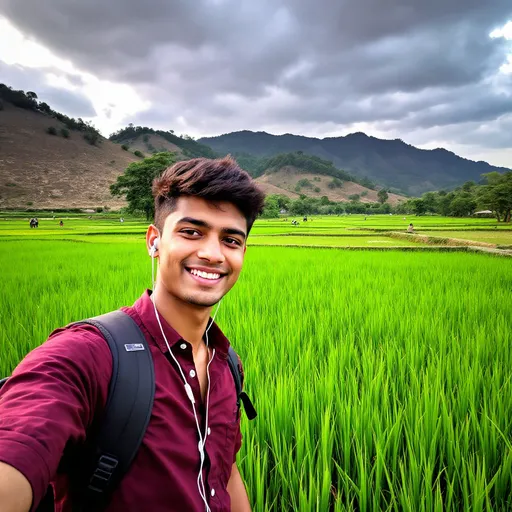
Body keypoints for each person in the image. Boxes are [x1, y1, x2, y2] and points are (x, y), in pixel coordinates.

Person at [0, 156, 265, 512]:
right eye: (191, 232)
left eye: (230, 240)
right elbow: (19, 441)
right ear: (154, 241)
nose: (212, 253)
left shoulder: (226, 363)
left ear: (243, 252)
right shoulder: (87, 354)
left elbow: (224, 473)